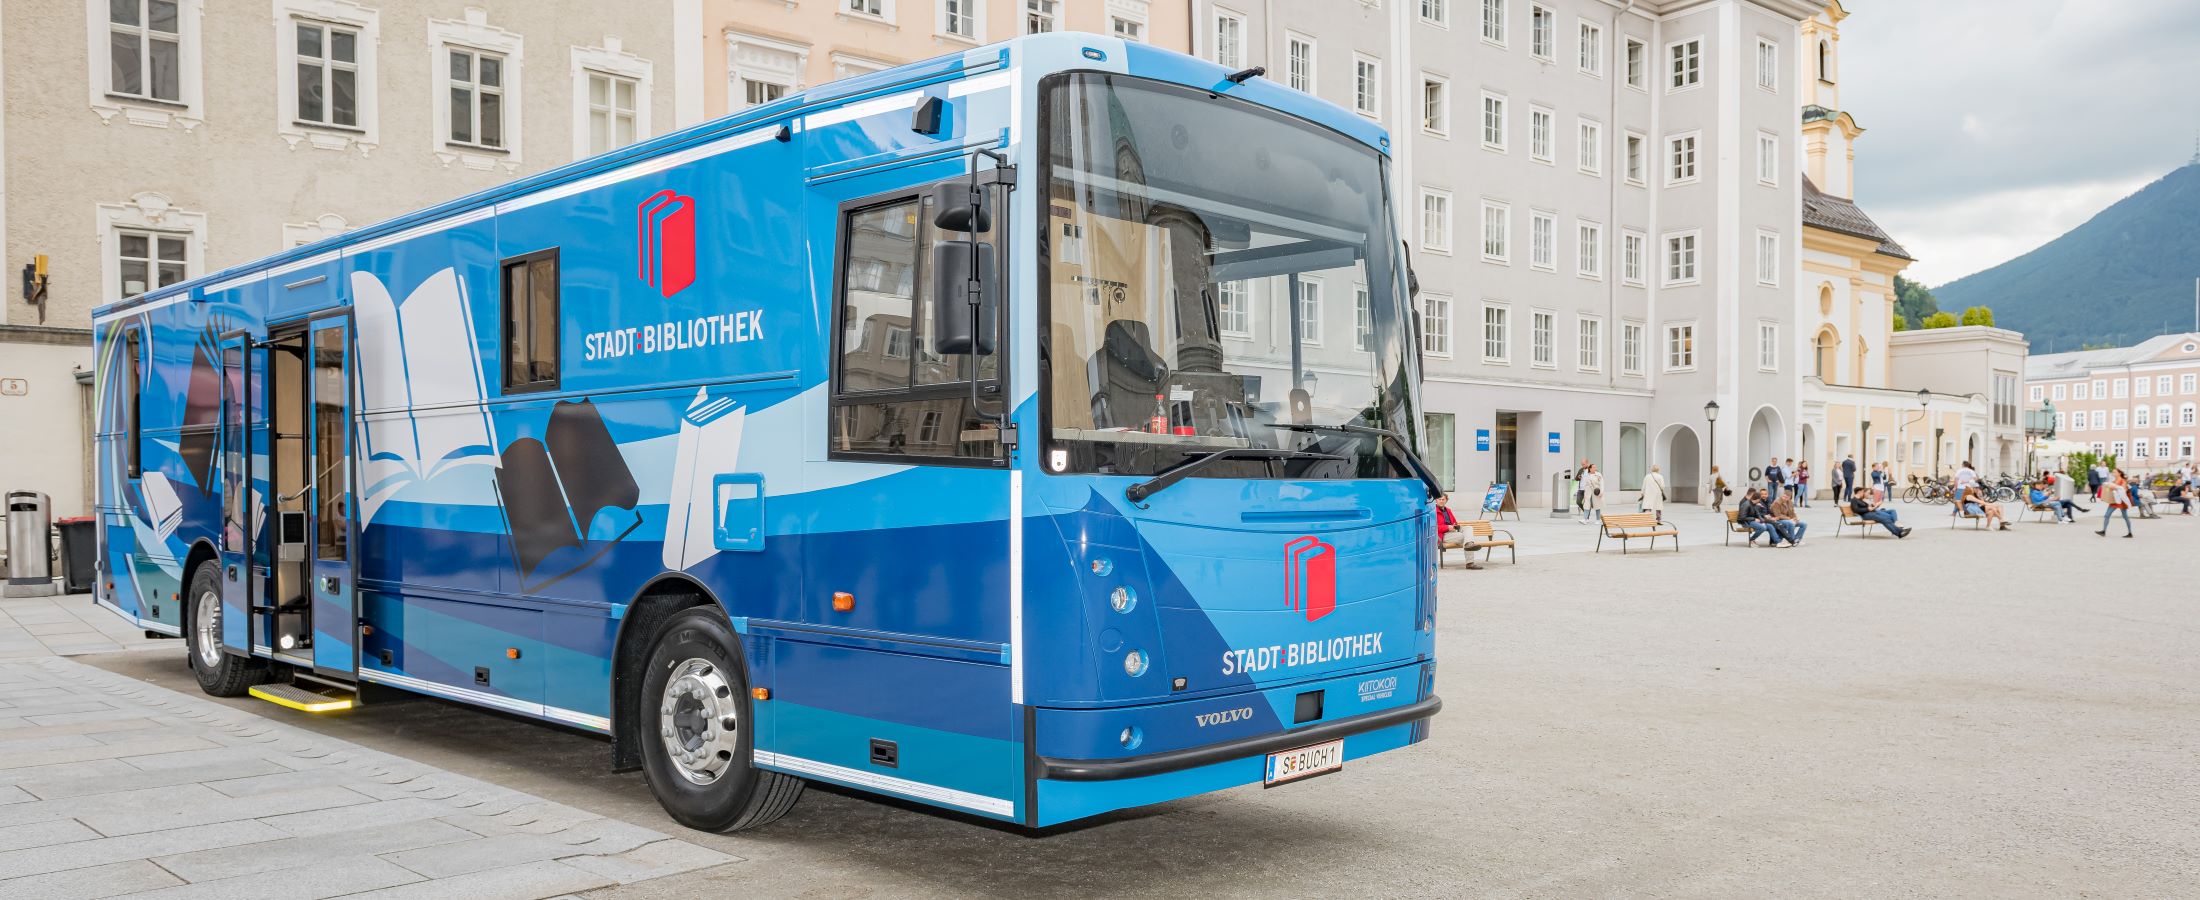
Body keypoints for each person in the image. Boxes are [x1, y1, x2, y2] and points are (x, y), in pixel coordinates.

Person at [1433, 494, 1486, 569]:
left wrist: (1455, 526)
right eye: (1439, 499)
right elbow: (1433, 527)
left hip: (1452, 531)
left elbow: (1454, 522)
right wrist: (1447, 527)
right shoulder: (1433, 511)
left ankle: (1469, 544)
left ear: (1446, 500)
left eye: (1443, 499)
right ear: (1436, 500)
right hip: (1442, 535)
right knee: (1465, 538)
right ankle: (1470, 563)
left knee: (1468, 528)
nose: (1441, 501)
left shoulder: (1448, 510)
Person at [2097, 469, 2134, 538]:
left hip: (2122, 501)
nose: (2113, 473)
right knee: (2107, 515)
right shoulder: (2113, 481)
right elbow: (2111, 489)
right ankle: (2103, 531)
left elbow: (2123, 489)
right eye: (2113, 472)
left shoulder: (2123, 480)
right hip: (2114, 500)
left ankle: (2130, 533)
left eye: (2114, 472)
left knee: (2125, 517)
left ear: (2119, 473)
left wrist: (2114, 487)